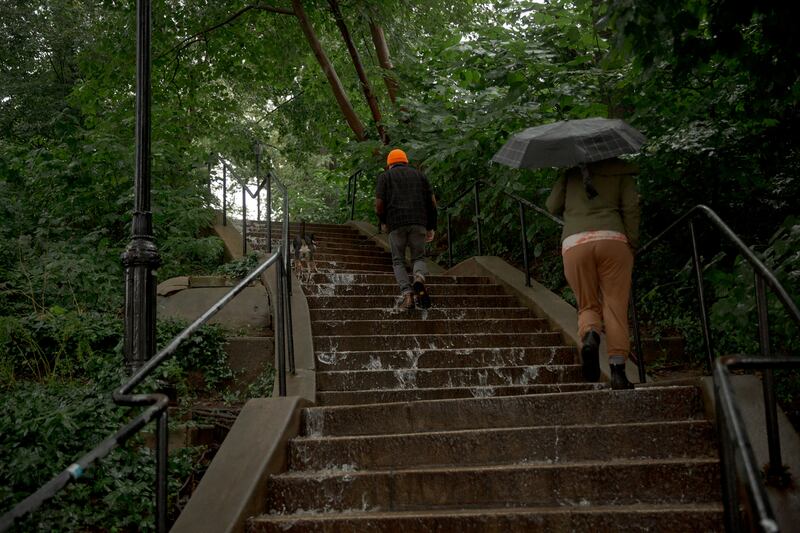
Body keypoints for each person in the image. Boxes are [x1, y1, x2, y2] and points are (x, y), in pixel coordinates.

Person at [546, 157, 640, 390]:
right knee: (615, 307)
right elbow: (632, 207)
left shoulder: (571, 173)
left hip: (576, 244)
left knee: (587, 304)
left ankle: (590, 336)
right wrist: (633, 241)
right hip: (613, 240)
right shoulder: (621, 170)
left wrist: (567, 176)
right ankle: (618, 372)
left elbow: (552, 206)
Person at [375, 149, 437, 310]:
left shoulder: (385, 177)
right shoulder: (420, 176)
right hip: (419, 223)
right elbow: (432, 203)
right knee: (419, 258)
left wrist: (383, 222)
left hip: (395, 224)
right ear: (406, 162)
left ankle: (407, 295)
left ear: (390, 164)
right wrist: (431, 226)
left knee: (398, 261)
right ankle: (419, 277)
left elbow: (379, 205)